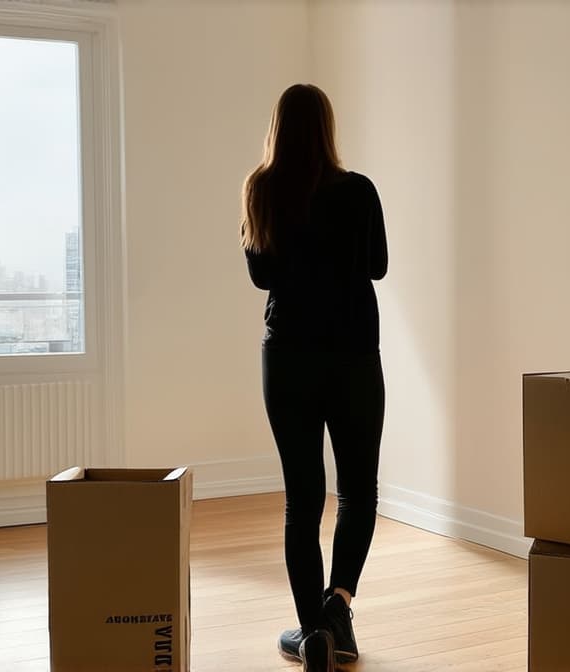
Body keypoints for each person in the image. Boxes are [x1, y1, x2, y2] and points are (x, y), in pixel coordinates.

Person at [240, 83, 388, 672]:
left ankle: (313, 632)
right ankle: (339, 605)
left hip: (289, 358)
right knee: (358, 492)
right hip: (353, 356)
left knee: (302, 502)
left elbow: (260, 276)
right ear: (328, 127)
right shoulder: (358, 191)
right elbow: (377, 265)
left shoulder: (262, 188)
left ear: (278, 127)